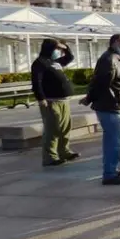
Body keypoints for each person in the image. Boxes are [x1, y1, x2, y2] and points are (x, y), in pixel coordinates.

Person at [81, 34, 120, 185]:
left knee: (114, 141)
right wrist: (89, 98)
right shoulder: (109, 60)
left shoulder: (116, 59)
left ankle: (112, 169)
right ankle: (109, 174)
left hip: (116, 105)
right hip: (110, 105)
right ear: (115, 43)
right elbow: (100, 83)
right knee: (113, 142)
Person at [31, 39, 79, 167]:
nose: (58, 51)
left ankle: (64, 151)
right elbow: (36, 82)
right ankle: (50, 157)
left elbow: (70, 57)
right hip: (51, 101)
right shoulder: (40, 63)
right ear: (49, 49)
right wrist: (41, 98)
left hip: (63, 100)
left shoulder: (55, 62)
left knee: (65, 128)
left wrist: (65, 46)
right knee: (53, 129)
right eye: (56, 49)